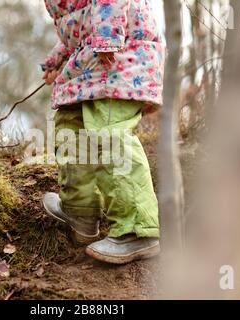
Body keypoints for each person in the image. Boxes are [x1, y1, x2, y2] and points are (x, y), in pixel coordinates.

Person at [41, 0, 165, 264]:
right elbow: (79, 27)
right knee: (69, 127)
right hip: (88, 64)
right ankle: (80, 212)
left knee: (108, 135)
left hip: (121, 59)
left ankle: (137, 229)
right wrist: (57, 59)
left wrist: (107, 37)